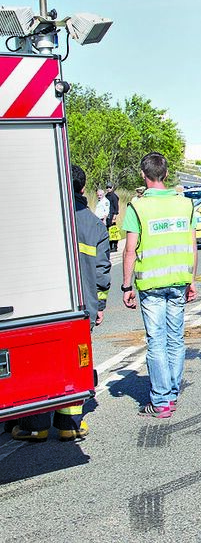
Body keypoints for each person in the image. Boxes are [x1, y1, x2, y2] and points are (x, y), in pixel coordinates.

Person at [11, 164, 111, 441]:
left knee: (40, 363)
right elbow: (102, 272)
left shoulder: (44, 217)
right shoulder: (94, 224)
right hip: (83, 309)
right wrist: (99, 307)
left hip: (47, 306)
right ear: (82, 189)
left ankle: (36, 424)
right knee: (76, 363)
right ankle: (70, 424)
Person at [121, 152, 198, 418]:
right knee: (175, 339)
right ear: (166, 174)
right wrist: (191, 280)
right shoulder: (185, 205)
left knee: (157, 341)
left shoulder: (137, 207)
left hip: (151, 284)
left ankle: (161, 400)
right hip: (178, 281)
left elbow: (130, 250)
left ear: (144, 175)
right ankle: (172, 394)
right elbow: (192, 245)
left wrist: (126, 286)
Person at [105, 183, 120, 251]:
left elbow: (116, 207)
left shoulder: (114, 196)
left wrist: (115, 215)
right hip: (107, 215)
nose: (108, 189)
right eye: (107, 187)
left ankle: (114, 246)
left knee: (113, 231)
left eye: (110, 187)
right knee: (108, 231)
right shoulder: (106, 196)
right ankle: (110, 246)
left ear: (112, 187)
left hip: (112, 215)